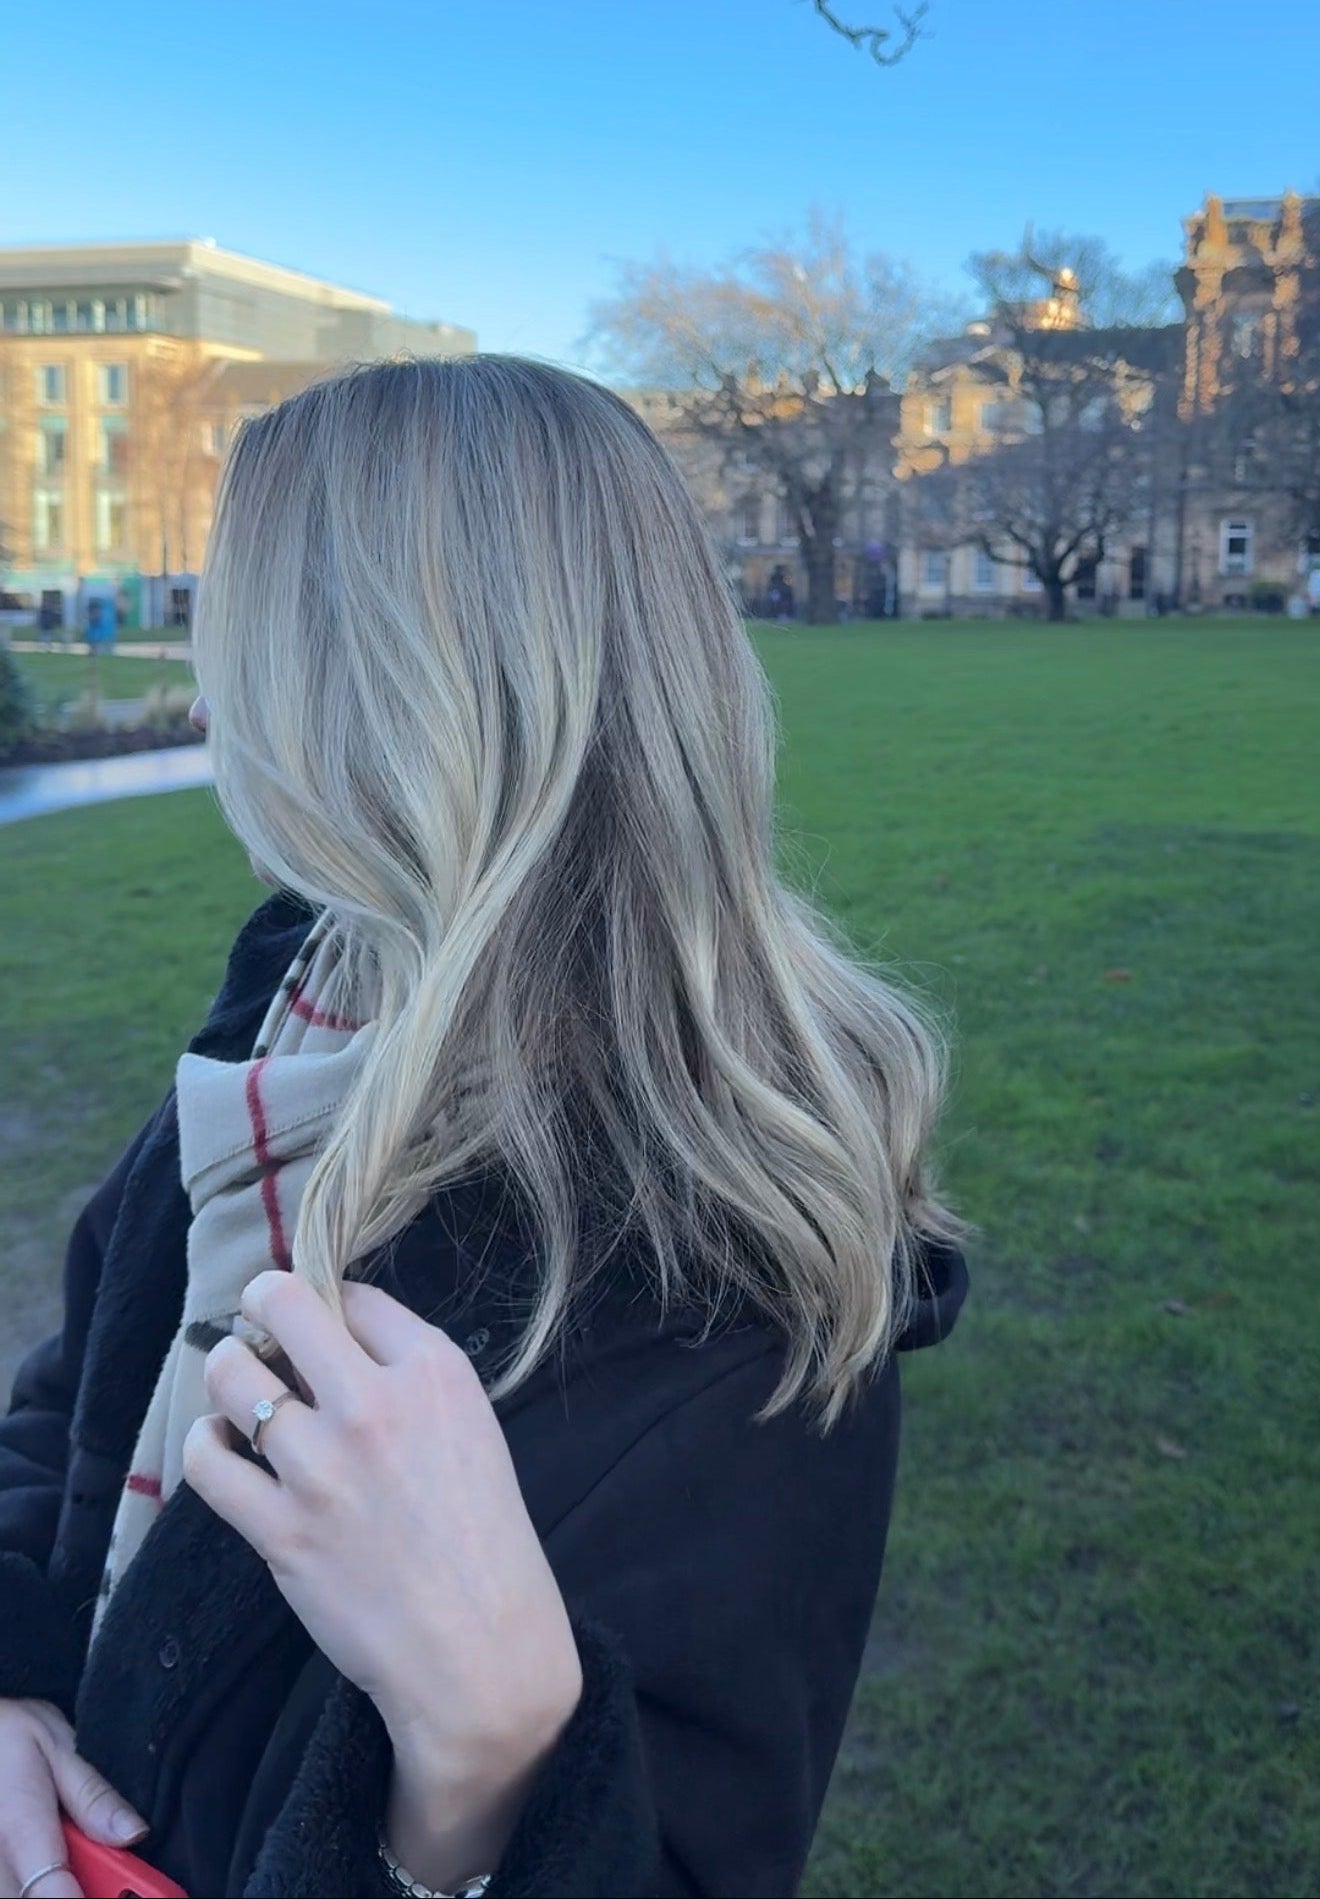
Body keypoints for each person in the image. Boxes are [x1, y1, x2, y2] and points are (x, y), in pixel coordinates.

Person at [0, 358, 969, 1899]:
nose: (210, 692)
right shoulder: (298, 998)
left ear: (358, 695)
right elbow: (72, 1403)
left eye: (236, 636)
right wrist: (19, 1680)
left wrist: (490, 1735)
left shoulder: (734, 1279)